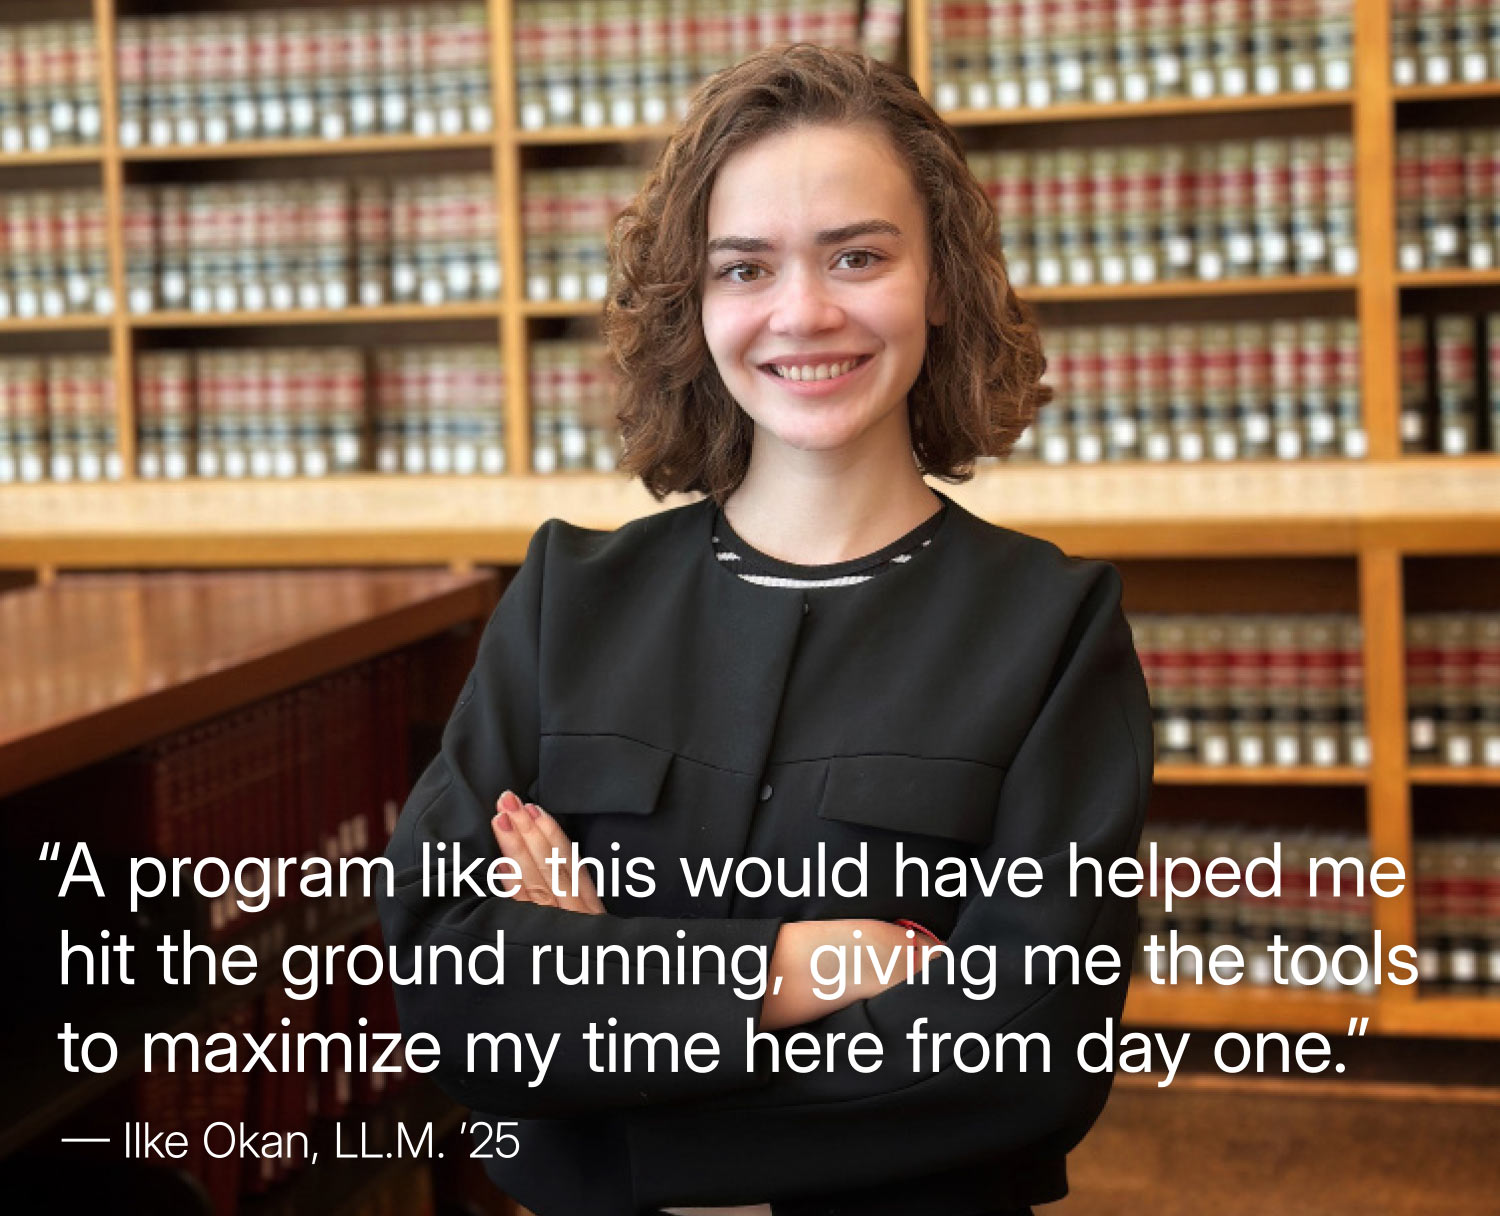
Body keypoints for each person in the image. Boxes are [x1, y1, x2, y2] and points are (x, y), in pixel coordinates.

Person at [377, 43, 1153, 1216]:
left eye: (857, 255)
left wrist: (613, 1005)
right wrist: (790, 968)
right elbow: (452, 985)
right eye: (746, 268)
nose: (805, 312)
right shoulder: (563, 601)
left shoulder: (1052, 629)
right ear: (694, 302)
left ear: (941, 280)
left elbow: (1024, 1048)